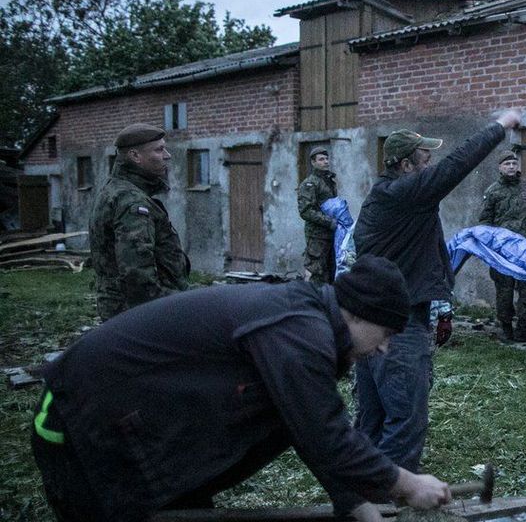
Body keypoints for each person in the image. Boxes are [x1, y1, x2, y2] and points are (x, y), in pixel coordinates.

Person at [31, 255, 452, 522]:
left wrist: (354, 502)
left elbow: (301, 423)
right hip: (81, 426)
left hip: (137, 424)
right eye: (385, 334)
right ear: (359, 316)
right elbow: (326, 433)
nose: (383, 348)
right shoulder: (299, 332)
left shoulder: (304, 321)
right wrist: (406, 484)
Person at [352, 110, 521, 472]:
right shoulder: (403, 194)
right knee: (405, 416)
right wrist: (499, 127)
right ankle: (393, 498)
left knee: (373, 415)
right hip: (396, 325)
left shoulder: (390, 196)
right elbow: (457, 166)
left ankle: (362, 489)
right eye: (425, 159)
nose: (431, 166)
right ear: (406, 166)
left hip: (375, 321)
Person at [89, 123, 190, 319]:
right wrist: (179, 307)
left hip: (125, 310)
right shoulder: (132, 201)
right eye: (159, 150)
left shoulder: (116, 189)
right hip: (139, 314)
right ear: (135, 156)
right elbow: (138, 277)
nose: (167, 155)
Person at [478, 151, 526, 343]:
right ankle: (506, 329)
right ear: (500, 168)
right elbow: (485, 221)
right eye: (507, 164)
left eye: (514, 163)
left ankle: (524, 329)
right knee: (504, 288)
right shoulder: (493, 191)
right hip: (502, 249)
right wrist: (489, 246)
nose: (511, 166)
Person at [298, 146, 339, 284]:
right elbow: (306, 211)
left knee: (332, 270)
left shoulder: (329, 181)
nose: (326, 162)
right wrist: (329, 222)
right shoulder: (310, 184)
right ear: (313, 162)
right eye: (321, 159)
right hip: (317, 236)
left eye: (327, 159)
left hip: (331, 234)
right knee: (316, 272)